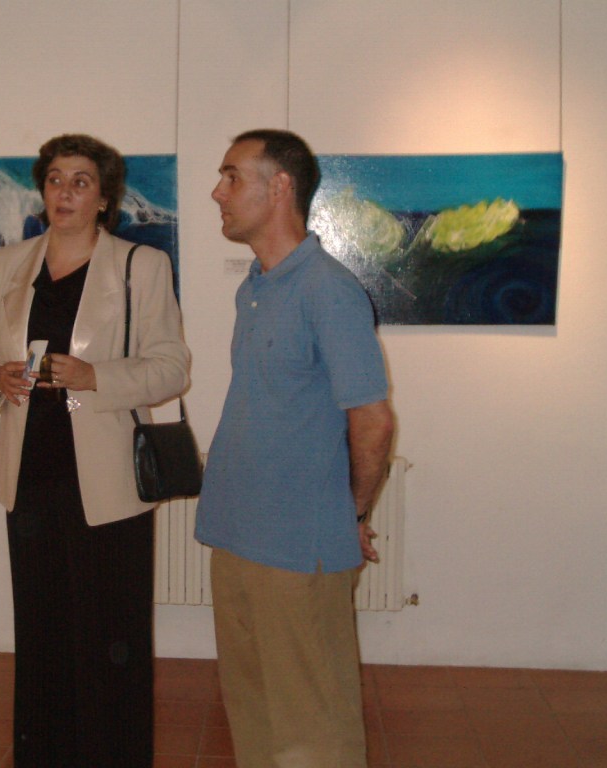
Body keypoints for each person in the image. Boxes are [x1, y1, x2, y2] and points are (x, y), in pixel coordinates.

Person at [0, 133, 190, 767]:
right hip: (28, 476)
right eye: (55, 179)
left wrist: (98, 377)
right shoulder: (9, 263)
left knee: (112, 641)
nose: (65, 192)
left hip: (107, 483)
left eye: (81, 181)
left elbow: (172, 368)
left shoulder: (140, 265)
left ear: (105, 199)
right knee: (41, 636)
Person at [195, 130, 395, 767]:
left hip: (297, 545)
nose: (217, 192)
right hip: (236, 533)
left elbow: (373, 422)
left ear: (280, 187)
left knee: (313, 722)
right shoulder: (254, 287)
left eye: (232, 176)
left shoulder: (328, 290)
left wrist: (351, 513)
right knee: (252, 706)